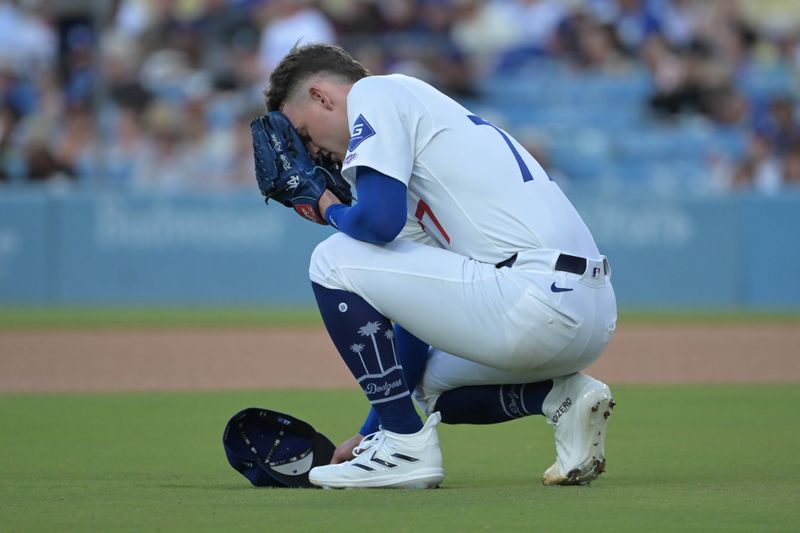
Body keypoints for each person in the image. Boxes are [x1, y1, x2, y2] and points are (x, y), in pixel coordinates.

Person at [264, 43, 618, 489]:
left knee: (331, 259)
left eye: (305, 134)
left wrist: (327, 207)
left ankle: (405, 449)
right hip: (585, 313)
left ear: (321, 96)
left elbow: (375, 222)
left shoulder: (375, 93)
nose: (312, 154)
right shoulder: (416, 143)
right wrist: (372, 429)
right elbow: (417, 317)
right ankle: (562, 396)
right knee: (426, 387)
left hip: (532, 296)